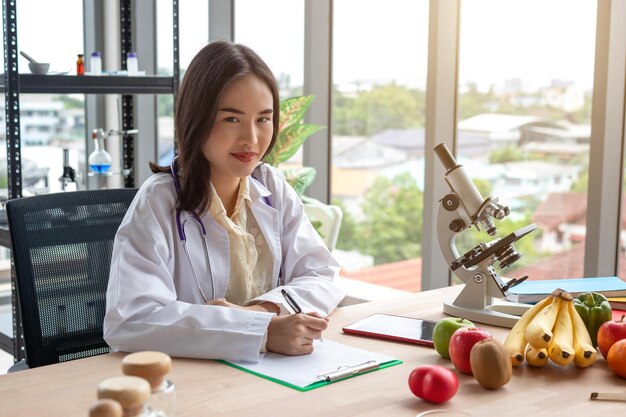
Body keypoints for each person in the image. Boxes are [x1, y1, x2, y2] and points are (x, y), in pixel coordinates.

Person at [103, 40, 344, 362]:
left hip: (266, 374)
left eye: (263, 119)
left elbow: (321, 273)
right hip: (190, 381)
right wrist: (262, 331)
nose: (252, 139)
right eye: (232, 119)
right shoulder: (159, 201)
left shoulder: (271, 185)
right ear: (196, 119)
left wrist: (262, 312)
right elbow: (131, 320)